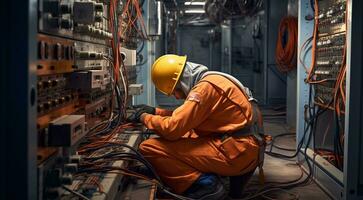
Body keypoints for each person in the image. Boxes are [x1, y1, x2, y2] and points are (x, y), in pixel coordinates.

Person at [128, 54, 265, 200]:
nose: (177, 97)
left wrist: (143, 117)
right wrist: (155, 112)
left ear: (182, 81)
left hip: (237, 153)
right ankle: (211, 175)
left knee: (150, 147)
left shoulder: (203, 89)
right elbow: (188, 117)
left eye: (176, 91)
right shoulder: (213, 79)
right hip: (247, 147)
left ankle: (206, 185)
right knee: (186, 134)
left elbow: (172, 129)